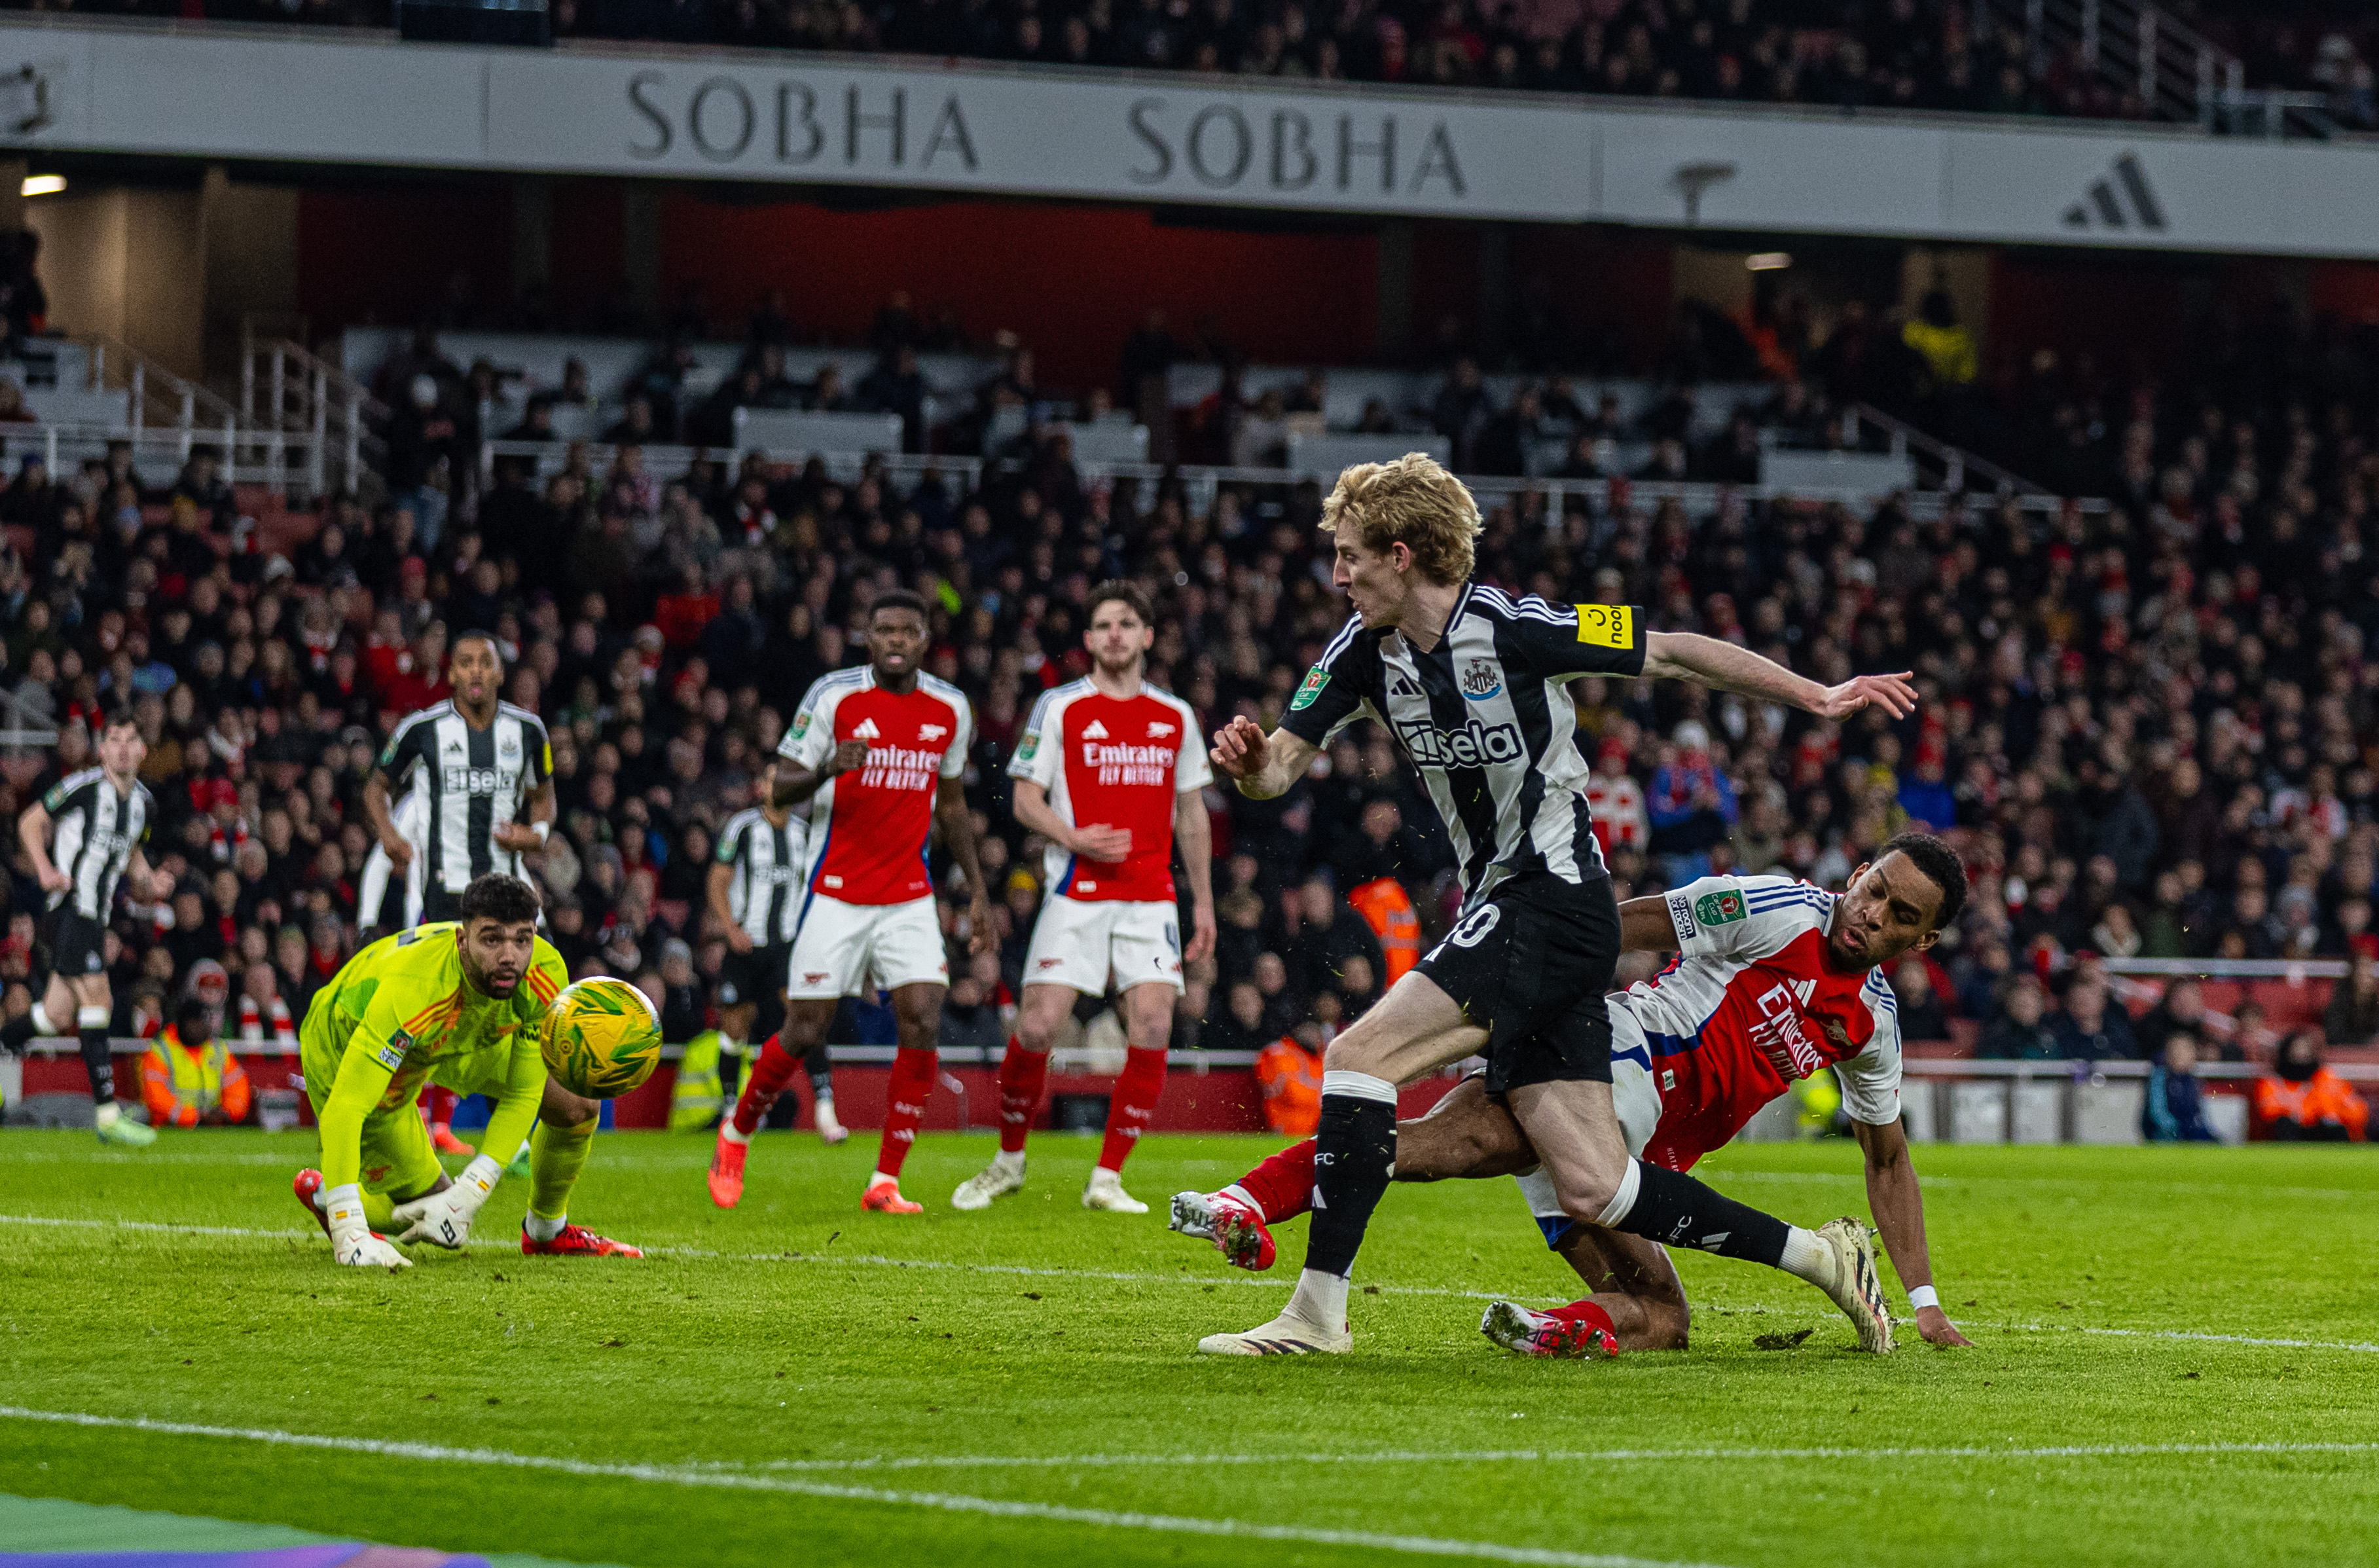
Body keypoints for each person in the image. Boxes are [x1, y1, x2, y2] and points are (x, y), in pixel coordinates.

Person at [1197, 452, 1920, 1356]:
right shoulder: (1358, 653)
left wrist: (1814, 692)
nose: (1337, 574)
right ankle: (1820, 1255)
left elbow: (1670, 649)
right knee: (1594, 1185)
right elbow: (1277, 768)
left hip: (1554, 896)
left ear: (1399, 554)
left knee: (1356, 1057)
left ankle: (1315, 1314)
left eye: (1348, 555)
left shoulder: (1513, 627)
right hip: (1506, 909)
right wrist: (1250, 765)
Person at [1176, 839, 1974, 1357]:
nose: (1870, 914)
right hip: (1623, 1060)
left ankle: (1549, 1329)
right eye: (1872, 889)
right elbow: (1624, 926)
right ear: (1858, 872)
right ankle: (1251, 1205)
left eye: (1898, 915)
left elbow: (1887, 1158)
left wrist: (1926, 1302)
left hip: (1638, 1149)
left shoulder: (1873, 1023)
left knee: (1659, 1315)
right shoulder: (1779, 908)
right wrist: (1533, 981)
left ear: (1923, 940)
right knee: (1453, 1144)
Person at [706, 591, 997, 1214]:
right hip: (835, 890)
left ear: (925, 639)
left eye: (908, 631)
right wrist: (828, 768)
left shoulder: (950, 708)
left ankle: (885, 1178)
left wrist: (977, 890)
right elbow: (782, 784)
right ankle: (737, 1132)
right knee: (804, 1028)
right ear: (868, 635)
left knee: (923, 1016)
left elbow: (951, 805)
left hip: (909, 893)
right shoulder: (833, 696)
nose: (896, 640)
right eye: (884, 629)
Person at [951, 581, 1216, 1214]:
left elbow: (1192, 814)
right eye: (1103, 625)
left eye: (1126, 623)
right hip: (1076, 890)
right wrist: (1073, 837)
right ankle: (1008, 1159)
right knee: (1037, 1025)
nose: (1115, 634)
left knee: (1154, 1024)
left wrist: (1203, 902)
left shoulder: (1175, 715)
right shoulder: (1061, 706)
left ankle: (1107, 1177)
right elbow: (1024, 799)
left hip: (1150, 895)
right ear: (1090, 639)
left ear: (1147, 636)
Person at [289, 873, 640, 1266]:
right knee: (430, 1210)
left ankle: (546, 1230)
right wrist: (348, 1232)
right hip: (345, 1038)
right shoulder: (414, 989)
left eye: (522, 939)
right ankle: (329, 1199)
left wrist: (471, 1192)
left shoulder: (542, 971)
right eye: (491, 939)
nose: (509, 956)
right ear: (462, 940)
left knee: (576, 1104)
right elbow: (347, 1106)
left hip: (462, 1028)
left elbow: (523, 1092)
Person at [7, 710, 166, 1146]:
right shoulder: (84, 787)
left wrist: (151, 882)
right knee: (99, 998)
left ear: (142, 750)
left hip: (96, 915)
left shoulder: (145, 804)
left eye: (129, 740)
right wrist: (44, 871)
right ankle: (108, 1113)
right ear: (102, 750)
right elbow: (29, 822)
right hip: (70, 907)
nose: (121, 748)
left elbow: (132, 855)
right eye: (113, 740)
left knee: (54, 1015)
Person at [364, 632, 555, 925]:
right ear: (452, 673)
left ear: (500, 673)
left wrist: (536, 834)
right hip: (443, 889)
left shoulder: (529, 731)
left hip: (505, 883)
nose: (476, 671)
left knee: (542, 952)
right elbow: (375, 788)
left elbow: (544, 796)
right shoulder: (421, 728)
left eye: (486, 663)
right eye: (466, 663)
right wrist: (388, 834)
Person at [704, 772, 843, 1164]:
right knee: (734, 1027)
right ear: (760, 788)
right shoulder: (742, 827)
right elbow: (718, 879)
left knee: (806, 1019)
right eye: (769, 780)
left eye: (783, 781)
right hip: (746, 946)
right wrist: (730, 928)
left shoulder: (805, 833)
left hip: (788, 947)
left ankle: (825, 1110)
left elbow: (818, 886)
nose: (776, 787)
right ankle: (730, 1108)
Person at [139, 995, 251, 1129]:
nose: (201, 1028)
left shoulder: (218, 1049)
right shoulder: (161, 1050)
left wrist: (227, 1113)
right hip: (169, 1129)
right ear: (181, 1023)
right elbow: (157, 1098)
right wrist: (196, 1117)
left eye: (205, 1023)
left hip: (211, 1130)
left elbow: (238, 1089)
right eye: (195, 1023)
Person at [2255, 1029, 2369, 1142]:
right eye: (2297, 1047)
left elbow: (2356, 1108)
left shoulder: (2325, 1077)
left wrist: (2332, 1116)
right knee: (2285, 1124)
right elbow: (2268, 1109)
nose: (2301, 1052)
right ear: (2287, 1050)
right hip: (2294, 1127)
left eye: (2305, 1047)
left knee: (2336, 1127)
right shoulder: (2274, 1080)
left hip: (2322, 1126)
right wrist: (2298, 1114)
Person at [2141, 1032, 2217, 1143]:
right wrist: (2177, 1130)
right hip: (2165, 1133)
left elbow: (2201, 1112)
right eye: (2175, 1050)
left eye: (2185, 1050)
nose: (2179, 1054)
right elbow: (2157, 1112)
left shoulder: (2195, 1080)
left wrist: (2204, 1130)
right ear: (2167, 1054)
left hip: (2189, 1131)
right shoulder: (2160, 1077)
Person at [1978, 974, 2061, 1059]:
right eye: (2022, 1005)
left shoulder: (2048, 1038)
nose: (2026, 1010)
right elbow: (1991, 1061)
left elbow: (2056, 1061)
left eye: (2030, 1006)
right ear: (2010, 1008)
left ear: (2040, 1009)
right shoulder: (1998, 1036)